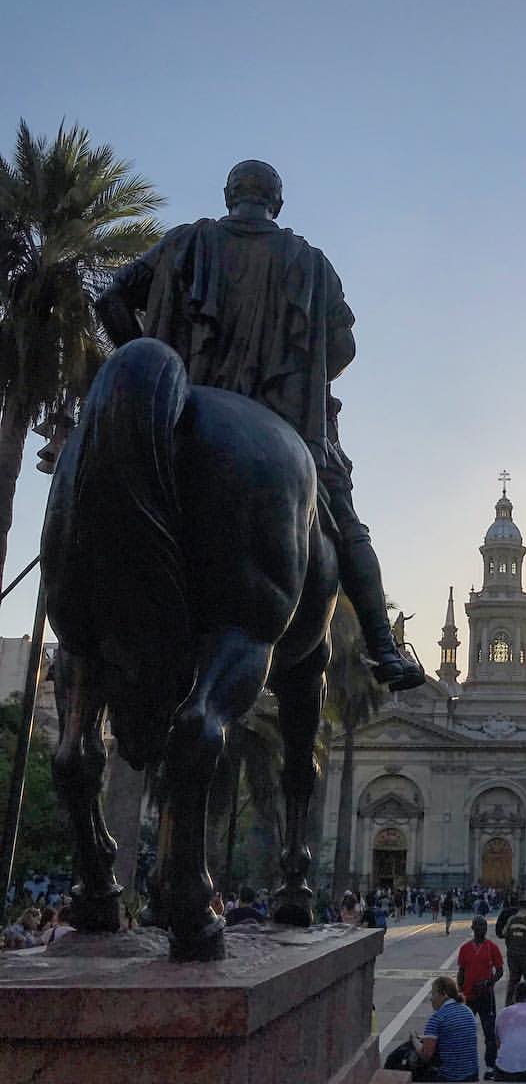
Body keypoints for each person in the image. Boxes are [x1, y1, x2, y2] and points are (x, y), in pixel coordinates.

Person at [95, 158, 422, 692]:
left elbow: (110, 297)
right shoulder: (310, 263)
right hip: (285, 423)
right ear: (278, 203)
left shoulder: (184, 242)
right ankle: (384, 649)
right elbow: (343, 347)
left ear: (229, 196)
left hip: (178, 414)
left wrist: (153, 370)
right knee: (348, 525)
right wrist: (301, 376)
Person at [457, 914, 504, 1074]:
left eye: (483, 926)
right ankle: (465, 1063)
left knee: (489, 1031)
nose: (481, 929)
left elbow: (500, 970)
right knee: (465, 1031)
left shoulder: (492, 947)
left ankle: (490, 1065)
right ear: (472, 928)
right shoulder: (465, 949)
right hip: (468, 996)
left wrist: (489, 982)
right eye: (478, 926)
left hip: (486, 996)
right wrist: (459, 992)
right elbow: (461, 971)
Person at [415, 975, 480, 1082]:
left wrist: (414, 1042)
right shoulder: (467, 1011)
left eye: (433, 994)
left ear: (444, 994)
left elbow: (426, 1055)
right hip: (472, 1074)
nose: (431, 999)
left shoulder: (437, 1018)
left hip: (449, 1076)